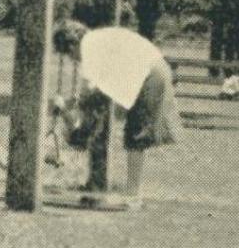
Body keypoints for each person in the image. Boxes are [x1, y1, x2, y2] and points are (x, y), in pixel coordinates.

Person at [53, 20, 182, 198]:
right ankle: (110, 186)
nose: (73, 59)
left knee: (137, 134)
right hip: (151, 70)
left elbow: (90, 90)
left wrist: (71, 112)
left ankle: (132, 194)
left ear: (73, 43)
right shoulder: (96, 39)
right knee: (125, 131)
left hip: (150, 74)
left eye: (69, 54)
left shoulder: (89, 45)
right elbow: (95, 92)